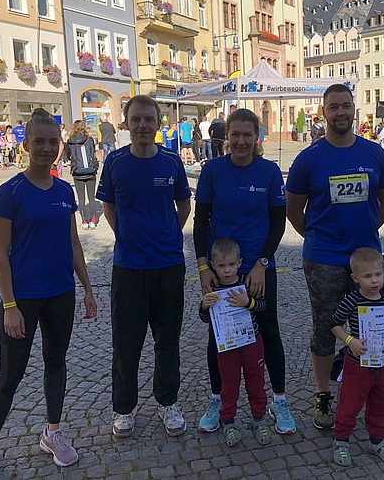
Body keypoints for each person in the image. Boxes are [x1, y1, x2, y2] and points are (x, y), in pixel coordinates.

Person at [0, 108, 97, 480]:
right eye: (38, 142)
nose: (46, 148)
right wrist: (9, 305)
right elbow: (0, 254)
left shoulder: (63, 190)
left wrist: (88, 289)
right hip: (22, 299)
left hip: (61, 293)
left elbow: (73, 241)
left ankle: (52, 432)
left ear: (60, 146)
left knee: (56, 363)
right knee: (10, 376)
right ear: (25, 145)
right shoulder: (9, 192)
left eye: (52, 142)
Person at [286, 83, 384, 431]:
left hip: (367, 259)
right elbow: (293, 208)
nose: (340, 112)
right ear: (323, 113)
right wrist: (314, 234)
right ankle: (324, 393)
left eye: (346, 106)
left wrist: (370, 228)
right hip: (323, 257)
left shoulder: (374, 154)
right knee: (327, 326)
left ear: (354, 110)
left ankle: (381, 383)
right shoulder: (308, 158)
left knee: (377, 323)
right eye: (333, 107)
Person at [194, 108, 295, 435]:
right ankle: (217, 399)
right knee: (218, 336)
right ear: (227, 137)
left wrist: (262, 264)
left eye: (247, 135)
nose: (240, 141)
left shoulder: (268, 171)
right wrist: (202, 267)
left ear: (256, 138)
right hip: (220, 271)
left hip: (258, 268)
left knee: (268, 331)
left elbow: (278, 222)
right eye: (235, 134)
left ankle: (278, 400)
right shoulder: (212, 170)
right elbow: (199, 223)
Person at [96, 95, 192, 438]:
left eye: (148, 120)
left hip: (168, 265)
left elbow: (184, 204)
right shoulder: (115, 162)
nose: (142, 126)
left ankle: (167, 401)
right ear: (126, 123)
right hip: (129, 267)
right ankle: (123, 409)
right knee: (126, 342)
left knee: (167, 340)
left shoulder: (171, 161)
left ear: (158, 123)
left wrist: (168, 233)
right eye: (135, 120)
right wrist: (124, 234)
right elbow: (108, 206)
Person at [330, 248, 384, 467]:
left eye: (378, 274)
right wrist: (349, 341)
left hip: (383, 364)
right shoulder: (352, 301)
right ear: (355, 278)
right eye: (367, 276)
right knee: (350, 405)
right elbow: (334, 324)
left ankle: (377, 440)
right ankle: (341, 441)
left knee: (380, 405)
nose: (375, 280)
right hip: (358, 366)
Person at [199, 238, 271, 447]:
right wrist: (204, 306)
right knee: (228, 386)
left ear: (239, 263)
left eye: (231, 265)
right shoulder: (212, 288)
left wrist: (248, 302)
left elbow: (263, 305)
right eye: (221, 266)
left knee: (256, 383)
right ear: (213, 266)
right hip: (227, 347)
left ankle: (259, 419)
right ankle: (228, 422)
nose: (227, 270)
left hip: (251, 344)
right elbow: (206, 319)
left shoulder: (246, 283)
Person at [67, 120, 99, 230]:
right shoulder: (89, 140)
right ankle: (93, 220)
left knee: (81, 199)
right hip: (90, 171)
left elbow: (67, 156)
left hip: (77, 172)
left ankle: (84, 221)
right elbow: (93, 153)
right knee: (91, 197)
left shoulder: (70, 141)